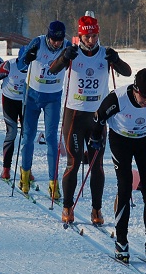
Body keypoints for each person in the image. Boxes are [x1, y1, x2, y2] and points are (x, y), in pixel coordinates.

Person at [49, 12, 131, 225]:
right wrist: (64, 57)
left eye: (94, 36)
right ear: (80, 36)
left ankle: (96, 210)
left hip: (97, 117)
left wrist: (116, 59)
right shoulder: (73, 53)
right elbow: (52, 70)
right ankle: (67, 206)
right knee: (73, 163)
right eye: (87, 37)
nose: (91, 40)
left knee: (97, 165)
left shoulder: (105, 54)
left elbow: (127, 72)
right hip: (74, 115)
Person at [91, 68, 146, 264]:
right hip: (121, 141)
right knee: (125, 186)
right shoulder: (117, 99)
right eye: (143, 97)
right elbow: (98, 117)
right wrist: (95, 138)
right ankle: (121, 241)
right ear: (135, 90)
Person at [16, 20, 70, 197]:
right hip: (32, 95)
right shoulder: (38, 42)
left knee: (51, 138)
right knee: (28, 137)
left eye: (59, 40)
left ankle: (53, 183)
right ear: (48, 36)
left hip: (53, 98)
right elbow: (21, 65)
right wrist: (28, 57)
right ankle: (24, 176)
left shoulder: (67, 46)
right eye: (53, 39)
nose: (56, 43)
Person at [0, 56, 28, 179]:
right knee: (11, 133)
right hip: (9, 100)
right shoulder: (9, 65)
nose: (24, 67)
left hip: (26, 102)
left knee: (27, 135)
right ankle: (6, 169)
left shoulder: (34, 66)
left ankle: (27, 169)